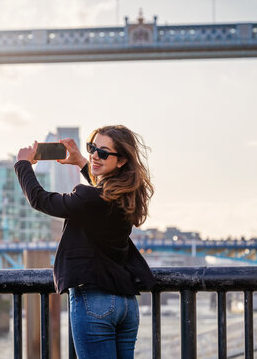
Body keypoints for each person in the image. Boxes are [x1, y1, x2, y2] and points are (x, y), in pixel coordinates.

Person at [14, 125, 155, 359]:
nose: (95, 156)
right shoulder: (129, 197)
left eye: (104, 153)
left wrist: (23, 165)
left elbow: (41, 200)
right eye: (93, 148)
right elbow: (104, 192)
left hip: (95, 302)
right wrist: (81, 162)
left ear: (121, 161)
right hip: (127, 305)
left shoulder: (90, 197)